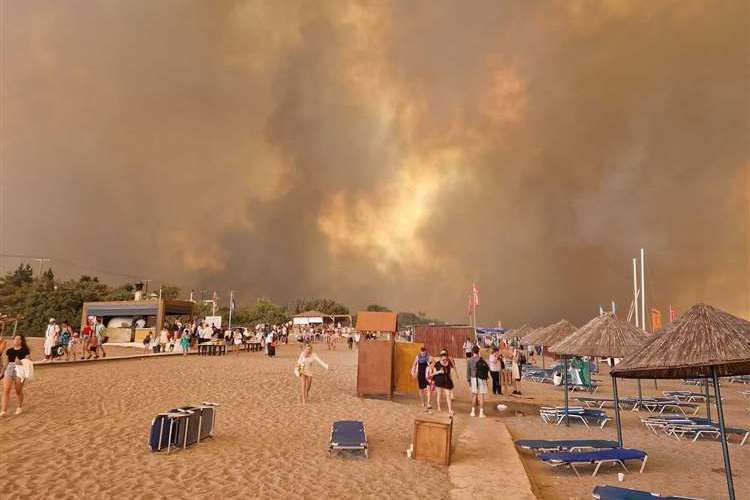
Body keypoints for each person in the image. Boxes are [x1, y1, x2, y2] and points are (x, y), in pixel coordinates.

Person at [1, 335, 31, 416]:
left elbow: (29, 360)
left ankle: (19, 407)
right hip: (9, 369)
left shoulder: (25, 350)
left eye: (18, 339)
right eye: (15, 339)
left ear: (21, 341)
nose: (16, 340)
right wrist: (2, 372)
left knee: (18, 390)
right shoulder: (9, 350)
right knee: (6, 390)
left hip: (20, 370)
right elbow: (6, 362)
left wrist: (20, 362)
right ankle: (4, 410)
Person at [467, 346, 488, 417]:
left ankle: (472, 412)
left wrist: (469, 381)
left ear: (472, 352)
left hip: (473, 378)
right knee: (481, 396)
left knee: (474, 395)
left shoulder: (469, 360)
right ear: (478, 351)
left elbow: (468, 372)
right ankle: (481, 413)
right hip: (481, 378)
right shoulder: (481, 359)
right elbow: (486, 369)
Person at [432, 349, 454, 415]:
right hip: (439, 381)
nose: (445, 361)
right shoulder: (437, 364)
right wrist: (439, 372)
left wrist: (450, 377)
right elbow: (433, 373)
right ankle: (439, 407)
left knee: (448, 395)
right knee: (439, 394)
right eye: (443, 360)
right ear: (441, 358)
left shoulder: (448, 363)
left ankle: (450, 409)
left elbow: (450, 371)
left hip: (446, 381)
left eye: (445, 359)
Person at [411, 346, 432, 412]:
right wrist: (413, 373)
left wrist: (430, 370)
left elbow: (433, 363)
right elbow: (414, 365)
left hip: (426, 376)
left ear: (426, 351)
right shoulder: (418, 357)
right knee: (421, 390)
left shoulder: (428, 357)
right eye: (422, 352)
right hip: (420, 375)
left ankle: (428, 403)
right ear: (420, 351)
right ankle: (422, 402)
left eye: (424, 352)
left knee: (428, 389)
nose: (423, 353)